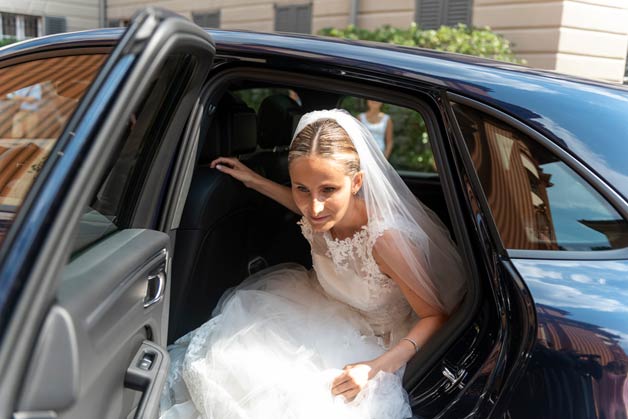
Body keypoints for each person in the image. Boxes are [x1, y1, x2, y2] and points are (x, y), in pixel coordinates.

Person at [159, 109, 467, 419]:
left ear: (357, 181)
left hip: (377, 338)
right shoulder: (317, 209)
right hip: (319, 305)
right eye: (301, 188)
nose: (314, 207)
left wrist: (375, 368)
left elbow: (434, 315)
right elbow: (302, 205)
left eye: (329, 190)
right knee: (230, 362)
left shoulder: (387, 241)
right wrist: (253, 180)